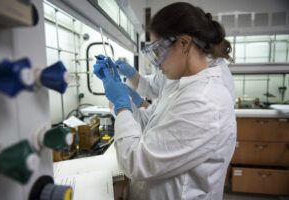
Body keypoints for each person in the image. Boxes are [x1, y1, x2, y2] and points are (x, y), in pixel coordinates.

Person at [93, 2, 237, 200]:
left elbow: (135, 162)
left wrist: (122, 105)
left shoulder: (203, 101)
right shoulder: (179, 85)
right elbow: (147, 123)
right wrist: (125, 97)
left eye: (158, 51)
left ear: (184, 44)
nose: (156, 63)